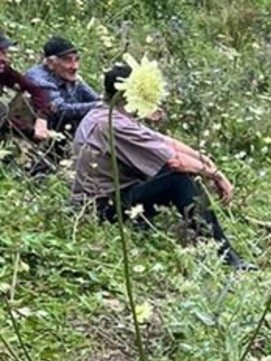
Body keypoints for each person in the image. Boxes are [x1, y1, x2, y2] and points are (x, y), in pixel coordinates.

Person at [72, 62, 251, 270]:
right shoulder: (113, 123)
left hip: (114, 196)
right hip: (100, 208)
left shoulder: (106, 113)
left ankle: (210, 244)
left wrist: (208, 163)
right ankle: (226, 256)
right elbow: (174, 161)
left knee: (183, 170)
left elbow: (165, 142)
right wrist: (216, 176)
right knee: (179, 180)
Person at [25, 36, 100, 135]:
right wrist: (100, 106)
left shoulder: (67, 75)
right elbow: (60, 110)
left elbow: (96, 99)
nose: (75, 66)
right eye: (68, 60)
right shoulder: (39, 78)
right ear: (51, 63)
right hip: (49, 136)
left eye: (76, 60)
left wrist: (107, 104)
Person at [0, 33, 52, 141]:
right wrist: (30, 131)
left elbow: (35, 89)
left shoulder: (4, 71)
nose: (5, 59)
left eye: (4, 52)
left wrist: (42, 118)